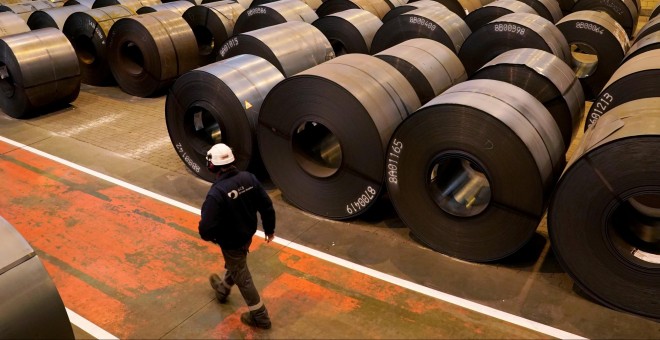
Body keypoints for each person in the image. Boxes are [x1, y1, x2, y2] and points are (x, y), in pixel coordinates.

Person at [198, 143, 275, 330]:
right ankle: (222, 289)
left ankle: (260, 316)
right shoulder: (249, 178)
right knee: (237, 264)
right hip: (247, 234)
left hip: (231, 241)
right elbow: (266, 205)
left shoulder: (217, 193)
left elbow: (206, 228)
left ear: (212, 166)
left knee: (243, 276)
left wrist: (214, 237)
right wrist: (269, 229)